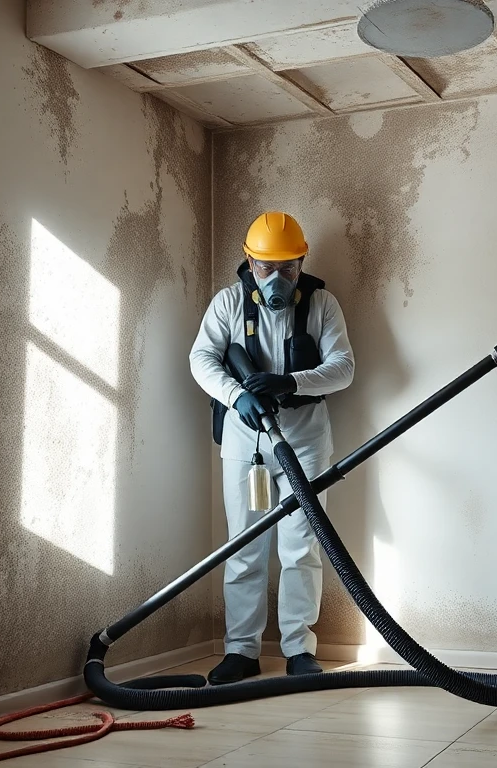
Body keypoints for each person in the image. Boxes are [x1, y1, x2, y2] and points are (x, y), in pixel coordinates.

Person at [188, 211, 354, 685]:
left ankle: (299, 648)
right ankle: (241, 650)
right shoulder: (228, 304)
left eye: (287, 267)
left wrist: (290, 381)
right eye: (266, 267)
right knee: (244, 545)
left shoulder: (322, 304)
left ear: (301, 262)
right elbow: (201, 358)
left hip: (304, 441)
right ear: (248, 261)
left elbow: (343, 367)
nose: (277, 278)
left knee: (302, 547)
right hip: (247, 443)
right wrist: (237, 394)